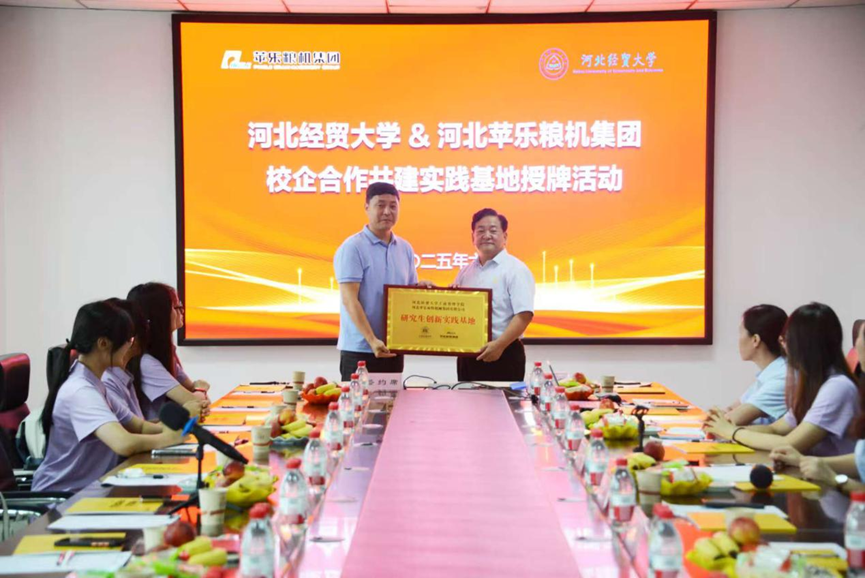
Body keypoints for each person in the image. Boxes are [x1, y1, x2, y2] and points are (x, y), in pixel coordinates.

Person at [32, 301, 182, 492]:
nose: (131, 346)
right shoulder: (81, 391)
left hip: (91, 490)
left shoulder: (95, 383)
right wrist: (169, 439)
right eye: (128, 340)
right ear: (103, 343)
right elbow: (124, 443)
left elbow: (140, 426)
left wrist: (184, 429)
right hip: (64, 499)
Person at [705, 302, 859, 456]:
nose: (783, 345)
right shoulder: (813, 382)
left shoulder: (837, 387)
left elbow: (790, 443)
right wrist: (726, 430)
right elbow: (775, 429)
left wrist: (732, 432)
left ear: (804, 344)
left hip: (823, 470)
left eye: (786, 339)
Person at [334, 182, 424, 381]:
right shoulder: (353, 247)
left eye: (393, 206)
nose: (387, 212)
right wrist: (372, 339)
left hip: (392, 348)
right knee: (359, 401)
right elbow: (349, 299)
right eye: (380, 205)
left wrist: (424, 290)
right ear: (367, 207)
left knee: (393, 401)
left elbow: (407, 295)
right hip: (360, 350)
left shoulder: (405, 248)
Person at [771, 320, 865, 492]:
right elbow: (861, 460)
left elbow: (789, 441)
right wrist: (803, 461)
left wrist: (834, 479)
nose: (856, 343)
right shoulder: (817, 383)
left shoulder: (838, 386)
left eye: (861, 336)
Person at [451, 208, 535, 382]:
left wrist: (499, 345)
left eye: (493, 230)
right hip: (468, 355)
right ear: (473, 237)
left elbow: (524, 315)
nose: (487, 235)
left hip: (504, 353)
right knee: (466, 399)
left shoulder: (516, 269)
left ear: (505, 236)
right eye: (480, 231)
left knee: (503, 400)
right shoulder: (465, 272)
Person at [127, 283, 209, 421]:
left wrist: (199, 394)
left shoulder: (165, 353)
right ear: (159, 314)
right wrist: (201, 389)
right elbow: (196, 403)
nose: (182, 311)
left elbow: (198, 400)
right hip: (157, 431)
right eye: (176, 307)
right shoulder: (146, 363)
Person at [714, 305, 788, 426]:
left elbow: (731, 420)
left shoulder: (782, 377)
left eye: (740, 333)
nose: (738, 340)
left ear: (755, 340)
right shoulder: (771, 373)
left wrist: (716, 418)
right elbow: (731, 409)